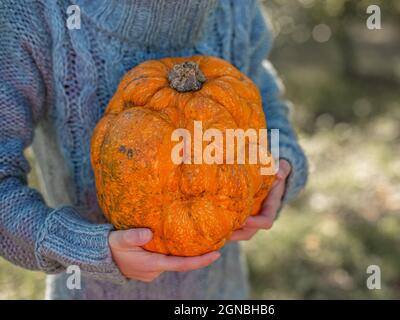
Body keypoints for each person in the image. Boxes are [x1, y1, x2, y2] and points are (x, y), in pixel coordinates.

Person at [0, 0, 308, 299]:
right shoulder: (32, 14)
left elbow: (263, 98)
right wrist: (82, 248)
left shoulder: (235, 8)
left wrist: (279, 162)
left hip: (221, 290)